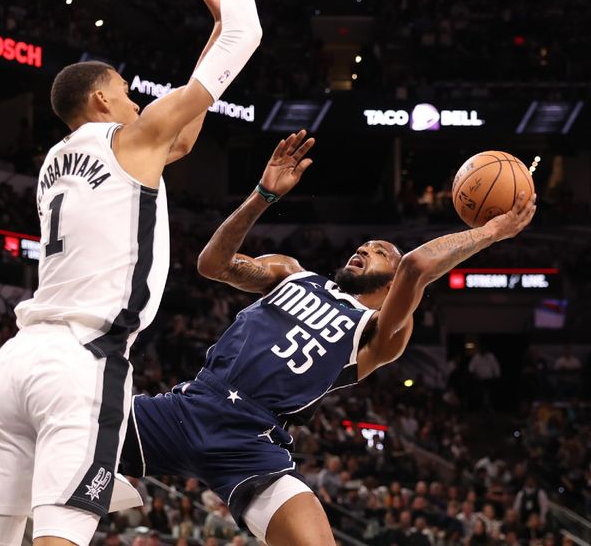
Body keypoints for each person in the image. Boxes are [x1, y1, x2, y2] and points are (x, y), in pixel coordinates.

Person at [0, 0, 262, 545]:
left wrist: (215, 30)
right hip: (82, 361)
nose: (137, 100)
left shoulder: (57, 162)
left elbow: (185, 137)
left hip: (16, 362)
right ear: (100, 100)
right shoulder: (128, 139)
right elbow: (250, 34)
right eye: (125, 90)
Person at [116, 132, 535, 545]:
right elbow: (212, 264)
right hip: (189, 407)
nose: (365, 248)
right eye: (365, 245)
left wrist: (493, 231)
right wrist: (263, 194)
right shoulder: (292, 273)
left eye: (378, 251)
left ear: (391, 286)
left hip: (252, 443)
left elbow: (416, 265)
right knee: (59, 431)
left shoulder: (379, 332)